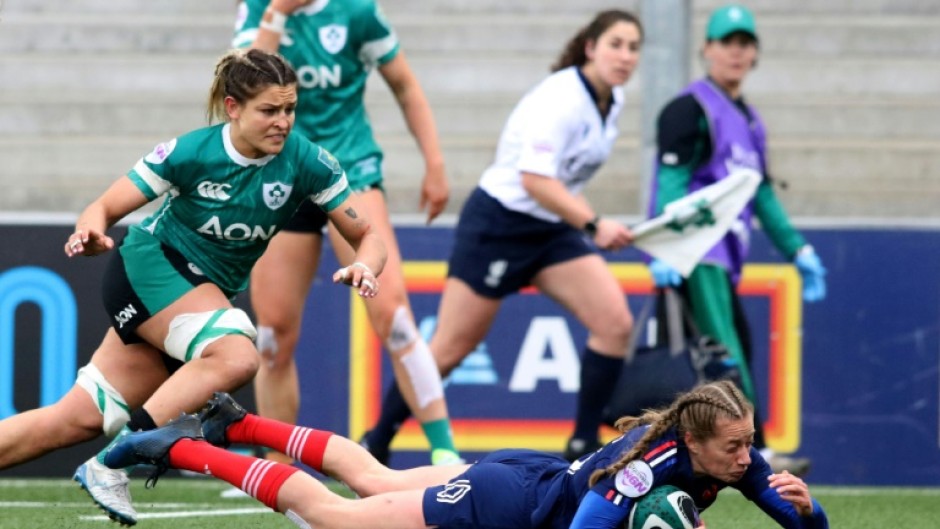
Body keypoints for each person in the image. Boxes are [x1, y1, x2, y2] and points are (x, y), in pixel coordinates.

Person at [0, 48, 387, 526]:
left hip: (192, 294)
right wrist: (91, 231)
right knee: (237, 354)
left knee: (77, 418)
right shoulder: (190, 152)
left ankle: (111, 450)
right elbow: (101, 207)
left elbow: (367, 235)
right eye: (269, 110)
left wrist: (366, 266)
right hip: (149, 267)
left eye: (289, 109)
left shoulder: (308, 161)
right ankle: (111, 464)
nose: (283, 122)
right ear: (232, 108)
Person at [361, 9, 640, 464]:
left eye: (633, 47)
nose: (625, 56)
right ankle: (377, 439)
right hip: (500, 224)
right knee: (450, 349)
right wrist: (593, 223)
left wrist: (582, 221)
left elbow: (555, 186)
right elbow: (534, 179)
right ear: (590, 47)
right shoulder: (562, 99)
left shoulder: (615, 99)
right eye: (615, 44)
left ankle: (583, 444)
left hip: (550, 226)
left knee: (615, 324)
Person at [105, 380, 829, 529]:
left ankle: (239, 422)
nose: (749, 459)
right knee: (336, 516)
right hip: (507, 503)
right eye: (735, 447)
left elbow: (807, 528)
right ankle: (194, 449)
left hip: (530, 472)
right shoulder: (644, 467)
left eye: (750, 444)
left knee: (375, 473)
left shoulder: (734, 453)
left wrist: (810, 509)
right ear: (695, 442)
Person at [232, 0, 459, 466]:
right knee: (273, 336)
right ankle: (278, 469)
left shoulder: (356, 12)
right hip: (281, 177)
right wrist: (276, 13)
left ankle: (444, 452)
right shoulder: (259, 8)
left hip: (349, 172)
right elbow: (244, 82)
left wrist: (434, 163)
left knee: (393, 317)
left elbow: (404, 84)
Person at [646, 4, 828, 476]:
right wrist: (665, 246)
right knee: (726, 355)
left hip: (723, 259)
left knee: (732, 352)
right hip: (696, 255)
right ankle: (755, 451)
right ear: (706, 48)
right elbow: (669, 183)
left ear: (755, 55)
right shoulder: (689, 108)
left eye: (744, 43)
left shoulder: (748, 120)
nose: (735, 51)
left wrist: (798, 249)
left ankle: (718, 451)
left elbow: (761, 193)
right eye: (726, 41)